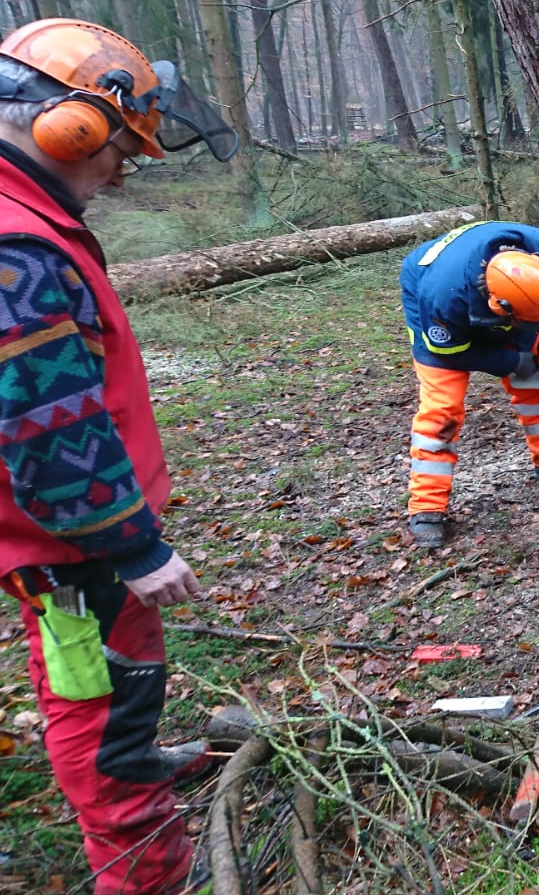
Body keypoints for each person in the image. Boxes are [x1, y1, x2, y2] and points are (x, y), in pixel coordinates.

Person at [0, 18, 237, 895]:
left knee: (86, 675)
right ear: (71, 126)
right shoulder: (17, 247)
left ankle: (134, 764)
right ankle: (143, 864)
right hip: (73, 547)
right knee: (103, 698)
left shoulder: (20, 217)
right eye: (119, 150)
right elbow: (47, 426)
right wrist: (129, 541)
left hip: (55, 538)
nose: (122, 170)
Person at [400, 221, 539, 548]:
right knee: (441, 410)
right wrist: (513, 361)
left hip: (506, 295)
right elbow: (453, 352)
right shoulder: (441, 298)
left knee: (533, 382)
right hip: (436, 308)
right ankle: (427, 507)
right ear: (497, 308)